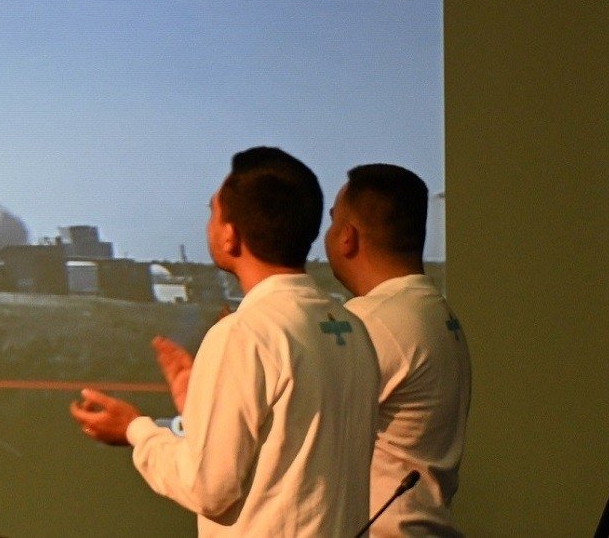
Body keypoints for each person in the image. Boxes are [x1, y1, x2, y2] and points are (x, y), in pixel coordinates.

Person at [69, 146, 379, 535]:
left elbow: (209, 489)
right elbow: (289, 457)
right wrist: (197, 408)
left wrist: (136, 431)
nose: (209, 225)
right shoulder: (350, 326)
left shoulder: (244, 334)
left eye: (212, 212)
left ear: (230, 235)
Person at [324, 164, 471, 537]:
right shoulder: (435, 312)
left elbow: (298, 432)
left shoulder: (369, 322)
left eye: (332, 221)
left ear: (348, 237)